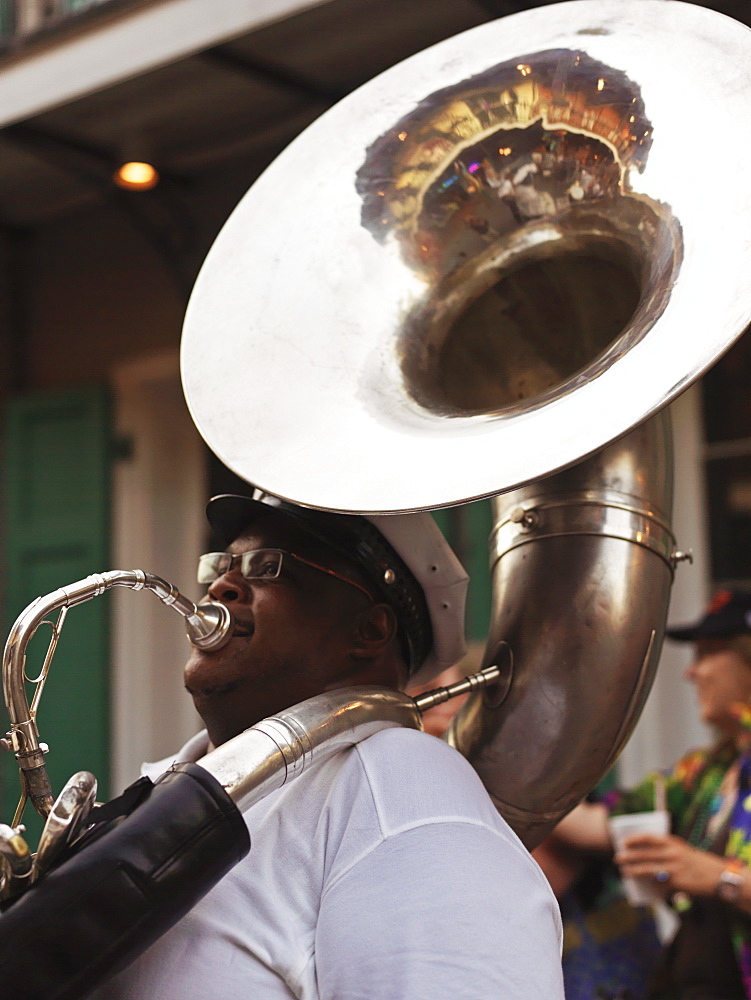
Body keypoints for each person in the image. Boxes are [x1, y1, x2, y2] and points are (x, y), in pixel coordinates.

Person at [90, 490, 563, 1000]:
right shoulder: (160, 789)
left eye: (267, 567)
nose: (223, 585)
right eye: (221, 565)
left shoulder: (400, 780)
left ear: (369, 630)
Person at [554, 589, 751, 1000]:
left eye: (707, 654)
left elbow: (712, 876)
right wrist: (492, 775)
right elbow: (600, 825)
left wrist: (718, 878)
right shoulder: (709, 770)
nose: (691, 673)